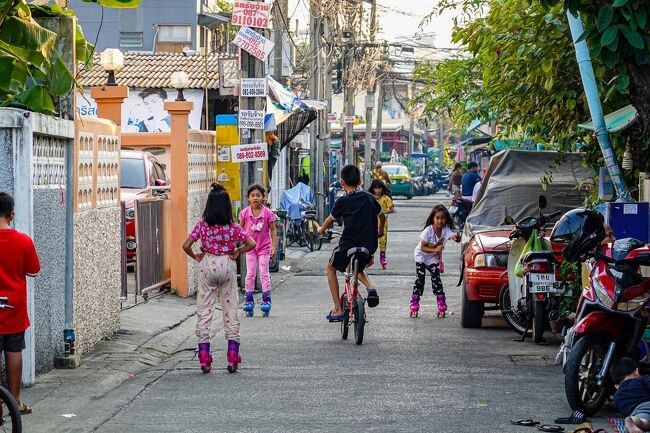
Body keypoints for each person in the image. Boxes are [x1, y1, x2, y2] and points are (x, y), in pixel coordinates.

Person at [183, 183, 256, 374]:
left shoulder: (202, 226)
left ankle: (204, 356)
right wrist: (238, 251)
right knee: (230, 308)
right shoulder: (232, 227)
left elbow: (186, 245)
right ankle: (232, 355)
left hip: (207, 264)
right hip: (227, 264)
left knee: (204, 309)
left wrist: (196, 256)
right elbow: (252, 243)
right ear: (226, 206)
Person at [317, 165, 385, 321]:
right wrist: (379, 232)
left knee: (330, 268)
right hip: (369, 245)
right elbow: (382, 217)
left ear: (342, 183)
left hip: (348, 244)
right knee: (358, 266)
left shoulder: (343, 201)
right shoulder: (369, 198)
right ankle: (370, 288)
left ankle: (338, 308)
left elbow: (329, 220)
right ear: (360, 181)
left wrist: (321, 230)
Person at [0, 192, 40, 414]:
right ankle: (15, 402)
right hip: (14, 307)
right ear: (12, 215)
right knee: (14, 351)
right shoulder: (23, 241)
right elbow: (33, 271)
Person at [409, 204, 460, 318]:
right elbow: (422, 247)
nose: (440, 221)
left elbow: (453, 236)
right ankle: (414, 304)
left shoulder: (446, 230)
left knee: (436, 279)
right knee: (420, 279)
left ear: (446, 219)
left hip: (433, 257)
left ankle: (441, 303)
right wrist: (435, 248)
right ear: (433, 218)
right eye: (437, 218)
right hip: (421, 255)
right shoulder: (428, 231)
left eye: (442, 218)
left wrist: (457, 238)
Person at [239, 185, 278, 317]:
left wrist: (274, 247)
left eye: (258, 195)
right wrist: (239, 246)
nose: (255, 198)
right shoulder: (244, 213)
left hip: (264, 248)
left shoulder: (267, 213)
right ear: (248, 198)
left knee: (264, 273)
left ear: (263, 197)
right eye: (252, 196)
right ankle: (248, 300)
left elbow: (273, 230)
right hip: (250, 249)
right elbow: (240, 230)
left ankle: (266, 300)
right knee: (250, 274)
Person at [611, 357, 650, 433]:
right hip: (648, 405)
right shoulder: (642, 379)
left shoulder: (617, 395)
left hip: (635, 413)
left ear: (616, 386)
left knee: (644, 421)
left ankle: (633, 421)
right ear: (637, 371)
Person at [368, 179, 394, 269]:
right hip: (371, 223)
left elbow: (392, 209)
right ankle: (370, 258)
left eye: (379, 188)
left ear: (382, 188)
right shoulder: (370, 197)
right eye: (375, 188)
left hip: (383, 224)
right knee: (370, 240)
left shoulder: (386, 198)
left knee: (382, 241)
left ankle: (383, 258)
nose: (378, 190)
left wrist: (384, 212)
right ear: (373, 188)